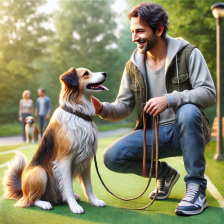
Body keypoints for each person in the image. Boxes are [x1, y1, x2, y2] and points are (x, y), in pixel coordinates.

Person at [92, 2, 216, 216]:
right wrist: (101, 108)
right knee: (111, 157)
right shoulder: (132, 66)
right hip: (153, 136)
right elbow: (123, 106)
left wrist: (171, 99)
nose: (134, 37)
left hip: (186, 130)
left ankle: (197, 188)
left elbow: (208, 93)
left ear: (159, 29)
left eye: (140, 31)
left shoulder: (188, 54)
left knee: (188, 110)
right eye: (132, 31)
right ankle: (165, 175)